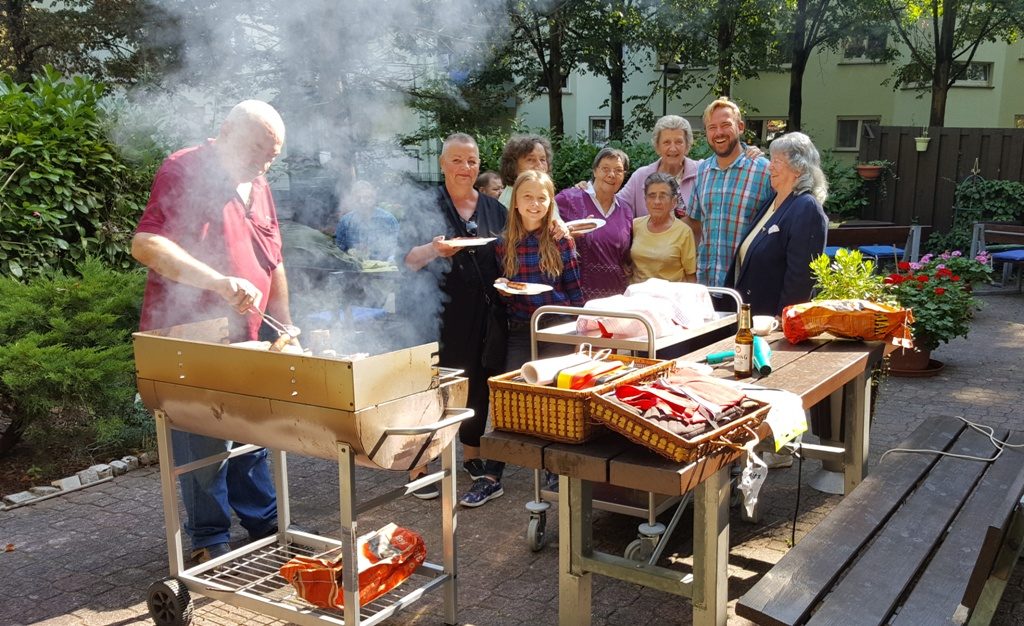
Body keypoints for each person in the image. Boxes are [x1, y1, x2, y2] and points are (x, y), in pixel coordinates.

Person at [131, 100, 292, 563]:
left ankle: (265, 523)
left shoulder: (258, 184)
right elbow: (146, 244)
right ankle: (209, 539)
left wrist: (286, 326)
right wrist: (218, 282)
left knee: (254, 431)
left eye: (271, 157)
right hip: (191, 334)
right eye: (256, 151)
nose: (263, 164)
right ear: (226, 132)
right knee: (202, 440)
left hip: (249, 335)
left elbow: (273, 261)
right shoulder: (184, 168)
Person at [460, 170, 584, 508]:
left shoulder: (560, 239)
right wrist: (503, 289)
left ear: (550, 202)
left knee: (554, 400)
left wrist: (579, 336)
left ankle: (553, 469)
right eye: (527, 197)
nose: (535, 204)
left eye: (542, 198)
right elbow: (503, 287)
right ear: (515, 202)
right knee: (508, 399)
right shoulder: (503, 243)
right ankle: (492, 475)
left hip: (556, 328)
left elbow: (575, 293)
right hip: (518, 328)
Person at [402, 133, 508, 500]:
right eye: (457, 160)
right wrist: (434, 249)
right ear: (443, 164)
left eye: (472, 161)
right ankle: (419, 464)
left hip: (484, 312)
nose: (466, 167)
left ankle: (472, 455)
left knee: (476, 383)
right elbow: (407, 260)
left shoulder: (494, 209)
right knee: (431, 388)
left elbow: (508, 255)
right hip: (436, 313)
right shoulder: (425, 205)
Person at [726, 132, 828, 316]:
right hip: (752, 316)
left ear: (798, 169)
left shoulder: (806, 207)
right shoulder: (772, 201)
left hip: (775, 322)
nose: (769, 167)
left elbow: (801, 278)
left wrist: (783, 319)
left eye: (777, 161)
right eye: (771, 160)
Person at [684, 97, 773, 288]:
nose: (719, 132)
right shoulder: (702, 171)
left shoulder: (764, 171)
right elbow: (694, 223)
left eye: (725, 125)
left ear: (740, 127)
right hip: (707, 283)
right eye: (712, 127)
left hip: (748, 284)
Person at [555, 147, 633, 300]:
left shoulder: (626, 211)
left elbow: (625, 257)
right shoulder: (569, 198)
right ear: (595, 171)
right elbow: (544, 216)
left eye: (618, 170)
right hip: (577, 294)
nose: (611, 174)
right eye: (605, 169)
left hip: (615, 295)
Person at [618, 115, 698, 219]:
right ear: (657, 147)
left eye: (678, 142)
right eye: (666, 142)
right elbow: (616, 207)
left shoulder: (701, 172)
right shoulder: (640, 176)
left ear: (687, 146)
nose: (673, 148)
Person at [631, 172, 697, 283]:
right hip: (637, 291)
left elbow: (690, 275)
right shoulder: (635, 225)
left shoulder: (684, 232)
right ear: (645, 200)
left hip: (671, 293)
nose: (657, 201)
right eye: (652, 196)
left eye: (662, 196)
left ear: (673, 202)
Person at [333, 180, 399, 262]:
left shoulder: (388, 220)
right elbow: (339, 251)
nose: (362, 201)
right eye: (358, 198)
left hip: (383, 268)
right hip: (354, 267)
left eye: (367, 198)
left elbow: (396, 249)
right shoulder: (345, 222)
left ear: (374, 198)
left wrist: (391, 259)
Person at [497, 134, 553, 208]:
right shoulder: (511, 201)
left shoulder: (542, 192)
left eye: (542, 159)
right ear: (513, 165)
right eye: (530, 159)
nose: (539, 165)